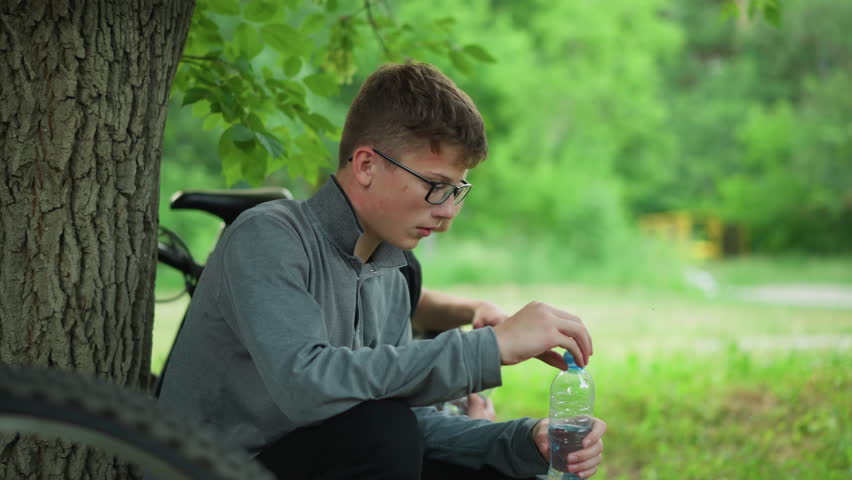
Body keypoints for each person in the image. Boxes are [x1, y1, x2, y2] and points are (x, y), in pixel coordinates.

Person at [158, 62, 606, 479]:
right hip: (213, 468)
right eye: (436, 186)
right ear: (367, 165)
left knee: (496, 466)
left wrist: (525, 441)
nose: (449, 212)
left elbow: (414, 422)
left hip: (319, 458)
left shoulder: (393, 270)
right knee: (381, 431)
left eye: (457, 190)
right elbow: (306, 384)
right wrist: (487, 348)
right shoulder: (269, 234)